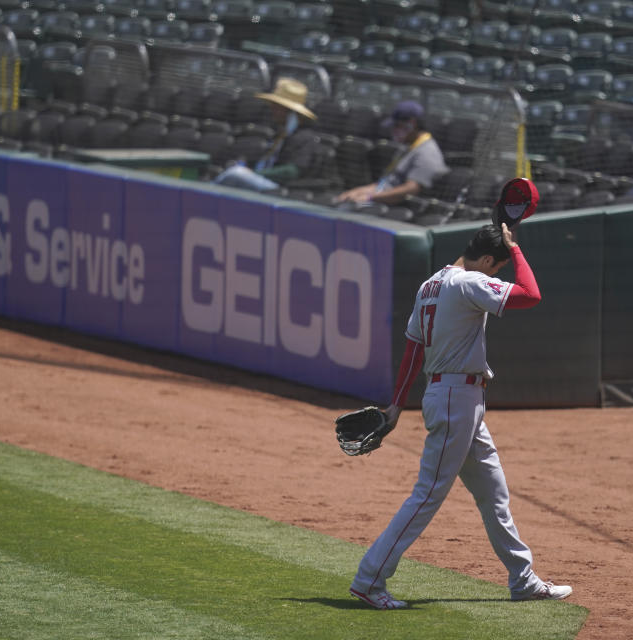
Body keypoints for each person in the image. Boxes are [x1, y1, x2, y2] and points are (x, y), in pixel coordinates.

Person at [349, 183, 571, 610]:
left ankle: (522, 578)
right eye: (496, 268)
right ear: (486, 260)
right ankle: (369, 578)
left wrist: (397, 404)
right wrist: (517, 251)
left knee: (493, 491)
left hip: (457, 400)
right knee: (428, 493)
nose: (496, 277)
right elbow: (530, 295)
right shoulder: (469, 284)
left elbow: (413, 348)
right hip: (454, 400)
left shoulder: (430, 285)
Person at [333, 100, 449, 207]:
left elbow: (410, 190)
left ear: (412, 124)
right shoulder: (408, 147)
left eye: (397, 126)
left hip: (399, 209)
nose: (393, 131)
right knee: (342, 201)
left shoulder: (427, 153)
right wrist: (356, 192)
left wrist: (369, 198)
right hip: (382, 201)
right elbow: (385, 184)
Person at [213, 77, 318, 192]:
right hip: (263, 180)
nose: (272, 108)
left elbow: (292, 171)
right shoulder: (280, 132)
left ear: (289, 111)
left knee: (236, 174)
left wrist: (255, 173)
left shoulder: (305, 137)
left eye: (277, 106)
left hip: (279, 188)